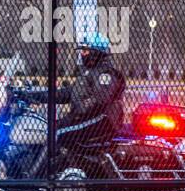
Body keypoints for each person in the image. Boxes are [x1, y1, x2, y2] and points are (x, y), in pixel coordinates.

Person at [12, 33, 125, 169]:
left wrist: (76, 115)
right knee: (44, 129)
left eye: (85, 50)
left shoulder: (105, 74)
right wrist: (32, 95)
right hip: (83, 118)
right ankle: (51, 168)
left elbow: (100, 100)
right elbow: (64, 94)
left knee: (56, 133)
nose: (82, 54)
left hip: (102, 121)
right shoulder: (88, 72)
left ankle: (42, 176)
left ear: (96, 53)